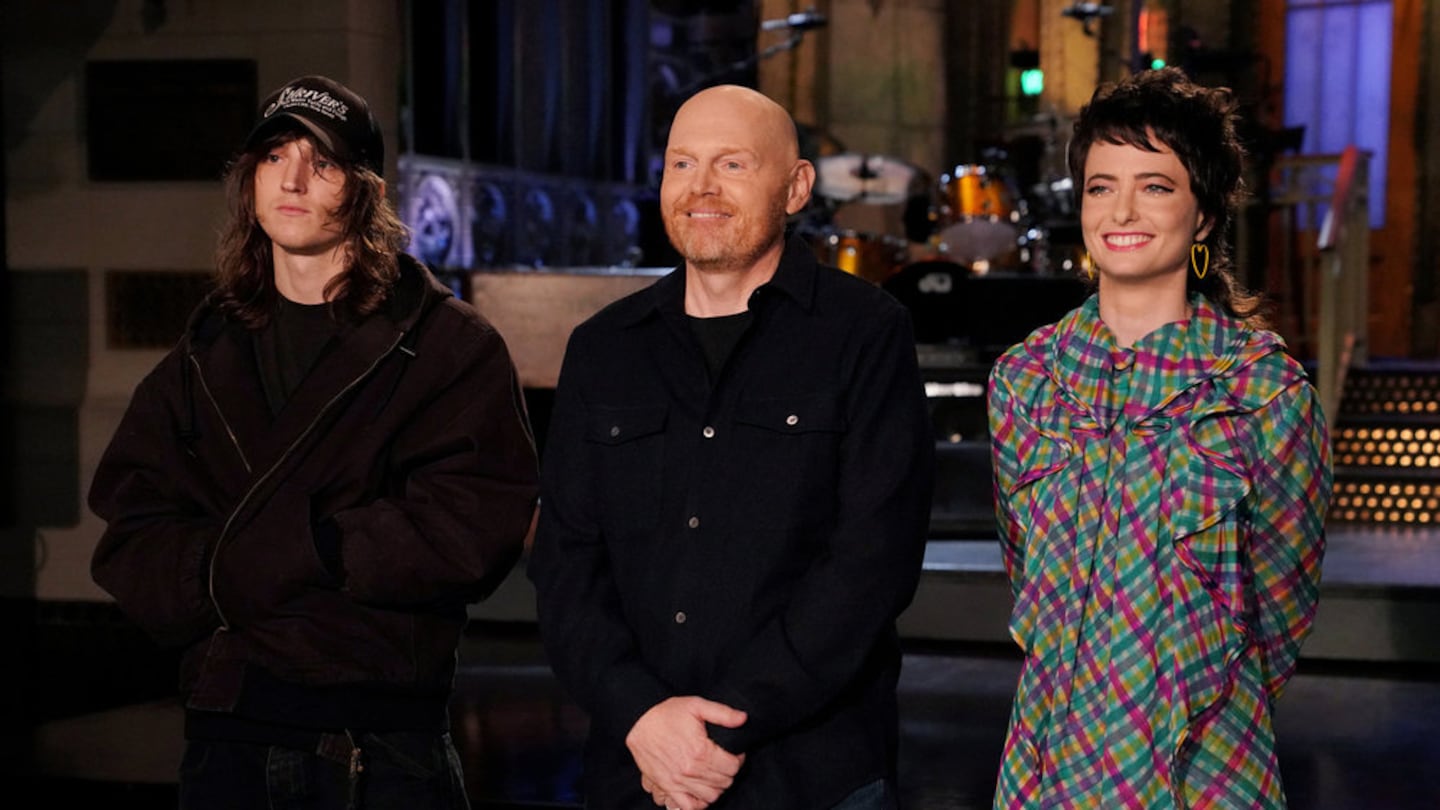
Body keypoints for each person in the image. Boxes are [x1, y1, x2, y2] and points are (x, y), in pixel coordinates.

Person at [89, 75, 539, 809]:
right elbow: (132, 529)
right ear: (249, 179)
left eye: (322, 162)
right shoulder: (207, 347)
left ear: (363, 189)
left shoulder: (446, 347)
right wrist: (234, 572)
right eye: (275, 156)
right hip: (225, 739)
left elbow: (469, 528)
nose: (293, 179)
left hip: (378, 748)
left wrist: (302, 551)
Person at [527, 84, 934, 810]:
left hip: (813, 776)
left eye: (733, 165)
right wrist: (645, 717)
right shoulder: (603, 350)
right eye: (681, 164)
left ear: (797, 186)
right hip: (637, 770)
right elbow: (565, 566)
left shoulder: (866, 333)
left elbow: (873, 561)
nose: (701, 188)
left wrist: (722, 727)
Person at [986, 67, 1333, 808]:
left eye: (1156, 184)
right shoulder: (1025, 383)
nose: (1123, 208)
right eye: (1102, 185)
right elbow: (1027, 577)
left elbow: (1282, 604)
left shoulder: (1263, 393)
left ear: (1204, 215)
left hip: (1208, 765)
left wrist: (1191, 686)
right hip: (1053, 761)